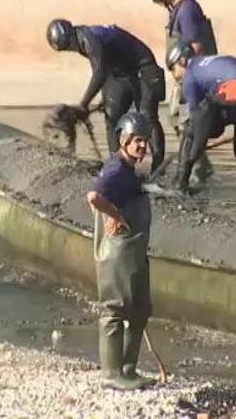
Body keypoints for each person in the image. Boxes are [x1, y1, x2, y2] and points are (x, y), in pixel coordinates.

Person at [86, 112, 157, 390]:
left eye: (145, 141)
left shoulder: (128, 171)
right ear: (124, 140)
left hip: (134, 252)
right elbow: (94, 196)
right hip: (117, 253)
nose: (143, 146)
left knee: (140, 310)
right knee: (114, 310)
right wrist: (114, 215)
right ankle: (112, 374)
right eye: (138, 140)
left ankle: (129, 369)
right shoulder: (116, 169)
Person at [46, 19, 165, 172]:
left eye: (68, 45)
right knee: (111, 117)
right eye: (67, 48)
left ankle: (158, 167)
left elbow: (100, 72)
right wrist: (105, 99)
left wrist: (84, 103)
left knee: (148, 117)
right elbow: (105, 69)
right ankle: (117, 166)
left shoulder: (89, 39)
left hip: (143, 66)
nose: (70, 48)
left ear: (70, 37)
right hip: (120, 73)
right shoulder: (83, 42)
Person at [166, 42, 236, 203]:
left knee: (190, 129)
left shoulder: (191, 74)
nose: (174, 76)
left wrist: (194, 153)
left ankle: (180, 183)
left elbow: (197, 120)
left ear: (182, 61)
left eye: (173, 69)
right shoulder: (208, 63)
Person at [141, 0, 217, 184]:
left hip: (192, 76)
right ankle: (201, 168)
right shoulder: (178, 11)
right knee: (176, 119)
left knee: (187, 123)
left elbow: (197, 47)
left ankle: (198, 172)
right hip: (182, 76)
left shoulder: (187, 11)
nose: (156, 3)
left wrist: (190, 82)